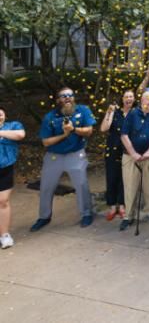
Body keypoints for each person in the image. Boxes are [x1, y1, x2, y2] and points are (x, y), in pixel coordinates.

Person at [31, 88, 97, 231]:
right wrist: (64, 135)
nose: (67, 98)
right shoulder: (50, 116)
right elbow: (46, 142)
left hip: (76, 154)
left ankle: (86, 214)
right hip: (54, 156)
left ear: (74, 98)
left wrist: (73, 130)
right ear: (57, 100)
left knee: (81, 185)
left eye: (70, 95)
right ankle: (44, 217)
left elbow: (89, 131)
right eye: (63, 96)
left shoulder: (83, 110)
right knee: (46, 187)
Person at [118, 90, 149, 231]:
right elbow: (124, 135)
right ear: (142, 100)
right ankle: (128, 216)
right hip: (130, 156)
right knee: (130, 187)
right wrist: (133, 153)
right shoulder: (132, 114)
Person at [100, 90, 136, 221]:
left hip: (128, 150)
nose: (129, 98)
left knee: (125, 179)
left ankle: (122, 205)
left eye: (131, 96)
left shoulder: (136, 113)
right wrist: (109, 112)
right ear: (122, 99)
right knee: (111, 177)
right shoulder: (115, 112)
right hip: (113, 148)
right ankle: (112, 206)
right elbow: (104, 128)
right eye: (126, 96)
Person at [0, 107, 26, 248]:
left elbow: (20, 135)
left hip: (5, 168)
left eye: (1, 113)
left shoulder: (13, 125)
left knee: (3, 201)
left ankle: (4, 235)